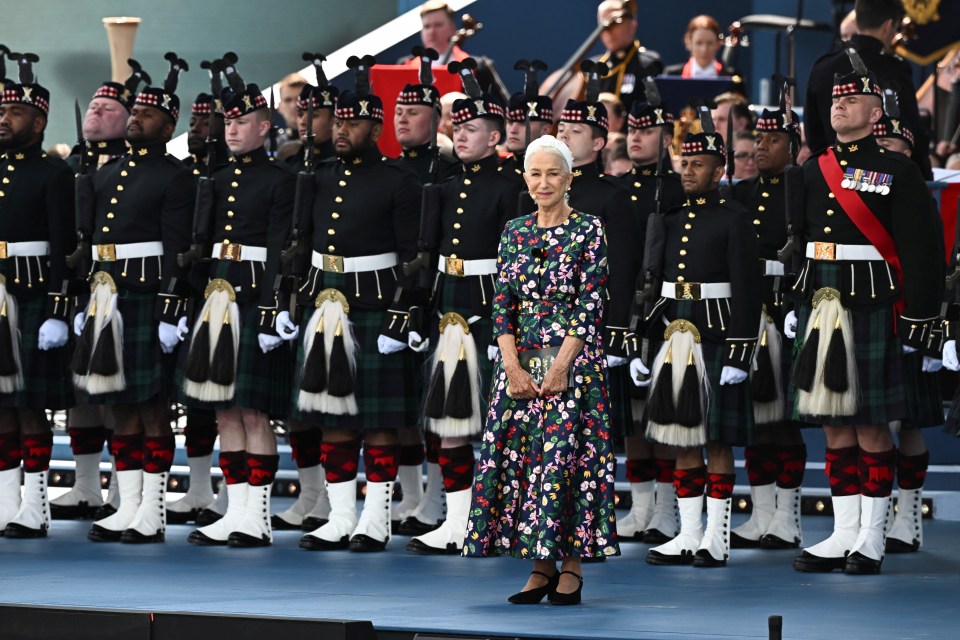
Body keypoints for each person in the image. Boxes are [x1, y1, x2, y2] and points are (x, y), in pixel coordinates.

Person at [788, 60, 941, 575]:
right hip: (823, 302)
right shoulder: (813, 168)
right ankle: (842, 531)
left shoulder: (899, 170)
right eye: (835, 100)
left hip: (874, 304)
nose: (839, 105)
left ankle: (871, 537)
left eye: (850, 100)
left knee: (873, 428)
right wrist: (797, 304)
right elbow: (803, 245)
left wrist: (918, 321)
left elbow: (922, 253)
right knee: (834, 426)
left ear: (875, 112)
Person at [463, 135, 618, 605]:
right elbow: (502, 304)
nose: (544, 182)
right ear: (525, 178)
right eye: (536, 173)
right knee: (528, 465)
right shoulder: (514, 231)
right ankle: (539, 566)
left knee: (568, 465)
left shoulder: (589, 229)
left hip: (573, 366)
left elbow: (590, 305)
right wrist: (510, 365)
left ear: (570, 178)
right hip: (519, 367)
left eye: (554, 173)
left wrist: (561, 366)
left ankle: (571, 568)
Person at [292, 57, 422, 553]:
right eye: (338, 121)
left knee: (378, 420)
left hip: (375, 305)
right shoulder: (319, 175)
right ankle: (340, 515)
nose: (341, 129)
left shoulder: (398, 181)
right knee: (333, 416)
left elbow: (413, 256)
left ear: (376, 126)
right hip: (327, 303)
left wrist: (402, 315)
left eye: (352, 122)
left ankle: (376, 518)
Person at [404, 64, 520, 554]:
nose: (462, 134)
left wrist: (506, 328)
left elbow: (516, 266)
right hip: (448, 308)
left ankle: (502, 521)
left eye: (472, 129)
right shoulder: (445, 185)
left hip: (488, 310)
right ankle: (457, 522)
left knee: (501, 428)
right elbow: (426, 256)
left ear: (495, 137)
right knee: (450, 424)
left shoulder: (509, 186)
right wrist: (417, 314)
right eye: (458, 126)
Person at [77, 57, 194, 544]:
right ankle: (126, 504)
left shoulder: (175, 176)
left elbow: (175, 250)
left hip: (147, 294)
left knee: (151, 407)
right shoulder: (106, 174)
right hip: (109, 297)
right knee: (118, 404)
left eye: (147, 116)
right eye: (135, 113)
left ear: (167, 127)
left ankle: (153, 510)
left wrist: (171, 308)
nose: (136, 120)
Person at [182, 73, 296, 548]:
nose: (232, 129)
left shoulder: (281, 181)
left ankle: (259, 516)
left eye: (242, 121)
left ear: (264, 126)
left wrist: (273, 307)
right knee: (224, 410)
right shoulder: (216, 178)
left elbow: (279, 250)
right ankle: (235, 511)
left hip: (252, 296)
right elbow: (200, 244)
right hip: (217, 295)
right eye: (228, 121)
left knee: (253, 412)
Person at [641, 122, 761, 569]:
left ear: (719, 170)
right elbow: (654, 287)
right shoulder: (669, 219)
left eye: (698, 164)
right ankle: (689, 533)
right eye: (684, 163)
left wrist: (740, 351)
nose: (688, 171)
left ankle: (717, 535)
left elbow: (748, 292)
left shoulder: (734, 220)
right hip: (676, 332)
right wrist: (642, 345)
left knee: (717, 439)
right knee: (681, 437)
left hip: (715, 333)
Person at [53, 66, 149, 522]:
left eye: (108, 107)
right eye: (93, 104)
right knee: (80, 390)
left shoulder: (133, 168)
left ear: (127, 118)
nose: (95, 111)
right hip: (72, 291)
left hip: (121, 288)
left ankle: (121, 492)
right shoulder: (69, 165)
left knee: (117, 387)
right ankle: (86, 484)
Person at [0, 53, 75, 538]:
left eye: (14, 113)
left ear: (39, 120)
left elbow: (64, 247)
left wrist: (57, 309)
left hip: (29, 295)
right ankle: (5, 500)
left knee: (29, 405)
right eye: (1, 112)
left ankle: (36, 504)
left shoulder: (53, 173)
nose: (4, 120)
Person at [727, 107, 809, 550]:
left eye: (771, 140)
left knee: (784, 422)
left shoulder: (802, 190)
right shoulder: (739, 192)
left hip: (785, 309)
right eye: (757, 139)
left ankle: (788, 518)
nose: (760, 147)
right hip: (749, 311)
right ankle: (761, 516)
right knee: (757, 421)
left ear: (793, 147)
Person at [555, 80, 640, 466]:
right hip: (543, 326)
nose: (564, 135)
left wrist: (618, 330)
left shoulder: (612, 196)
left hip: (590, 327)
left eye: (575, 131)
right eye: (560, 129)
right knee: (545, 431)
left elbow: (622, 269)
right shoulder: (539, 191)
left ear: (599, 144)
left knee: (586, 434)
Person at [872, 111, 944, 555]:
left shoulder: (913, 190)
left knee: (910, 422)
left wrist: (931, 326)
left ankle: (909, 514)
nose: (883, 152)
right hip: (875, 314)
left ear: (908, 150)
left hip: (909, 316)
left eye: (891, 146)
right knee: (878, 420)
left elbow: (931, 263)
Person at [615, 99, 686, 543]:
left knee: (662, 412)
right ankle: (640, 508)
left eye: (646, 131)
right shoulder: (618, 188)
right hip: (625, 306)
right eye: (632, 131)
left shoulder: (678, 189)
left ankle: (666, 507)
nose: (635, 138)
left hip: (665, 308)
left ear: (666, 138)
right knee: (633, 418)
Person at [165, 92, 226, 527]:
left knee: (227, 401)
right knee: (194, 401)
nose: (198, 129)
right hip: (185, 293)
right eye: (195, 120)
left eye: (207, 122)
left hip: (224, 294)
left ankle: (231, 494)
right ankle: (200, 487)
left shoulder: (227, 177)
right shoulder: (181, 174)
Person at [804, 0, 932, 179]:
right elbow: (912, 133)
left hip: (832, 179)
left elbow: (814, 136)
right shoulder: (895, 69)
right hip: (885, 183)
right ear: (888, 26)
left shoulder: (823, 67)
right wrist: (924, 179)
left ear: (858, 21)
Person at [593, 0, 661, 114]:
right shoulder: (594, 68)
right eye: (602, 25)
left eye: (615, 22)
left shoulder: (648, 64)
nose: (608, 31)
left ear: (633, 25)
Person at [394, 81, 459, 184]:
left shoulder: (453, 171)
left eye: (413, 113)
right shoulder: (388, 171)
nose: (402, 119)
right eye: (398, 112)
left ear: (435, 120)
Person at [664, 15, 744, 93]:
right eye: (699, 43)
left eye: (710, 43)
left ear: (718, 43)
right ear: (688, 42)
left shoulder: (731, 77)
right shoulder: (672, 75)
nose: (704, 49)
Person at [402, 1, 468, 66]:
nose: (432, 32)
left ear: (452, 28)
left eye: (438, 25)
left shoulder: (473, 67)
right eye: (427, 26)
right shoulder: (405, 65)